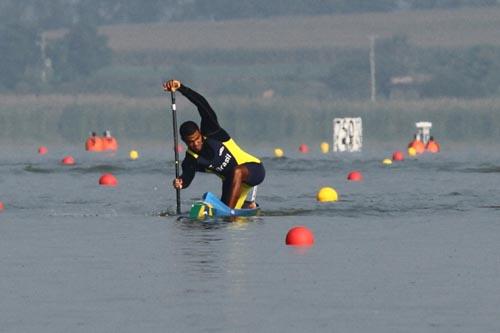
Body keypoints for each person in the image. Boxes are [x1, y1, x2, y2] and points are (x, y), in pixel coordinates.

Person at [163, 79, 265, 209]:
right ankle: (249, 206)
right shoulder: (191, 159)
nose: (196, 144)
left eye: (197, 139)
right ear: (184, 141)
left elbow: (202, 105)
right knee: (225, 216)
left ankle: (229, 211)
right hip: (230, 182)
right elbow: (187, 176)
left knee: (236, 172)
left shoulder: (212, 132)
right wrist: (181, 183)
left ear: (200, 133)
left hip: (253, 169)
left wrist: (182, 88)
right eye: (191, 142)